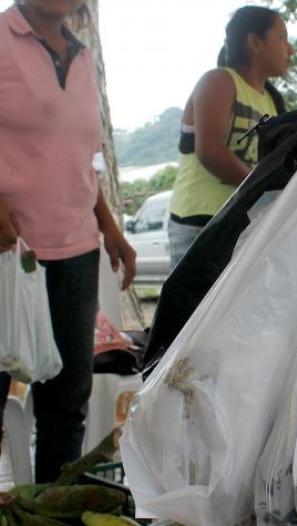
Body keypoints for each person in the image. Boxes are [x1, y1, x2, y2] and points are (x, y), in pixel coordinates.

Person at [0, 0, 135, 482]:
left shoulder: (81, 55)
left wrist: (111, 228)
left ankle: (50, 510)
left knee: (67, 402)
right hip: (7, 255)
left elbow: (83, 158)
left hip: (76, 251)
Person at [167, 6, 292, 268]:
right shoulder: (219, 81)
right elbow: (210, 152)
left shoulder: (272, 101)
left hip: (243, 218)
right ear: (255, 42)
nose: (290, 49)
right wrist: (263, 188)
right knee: (197, 308)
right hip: (201, 221)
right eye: (282, 37)